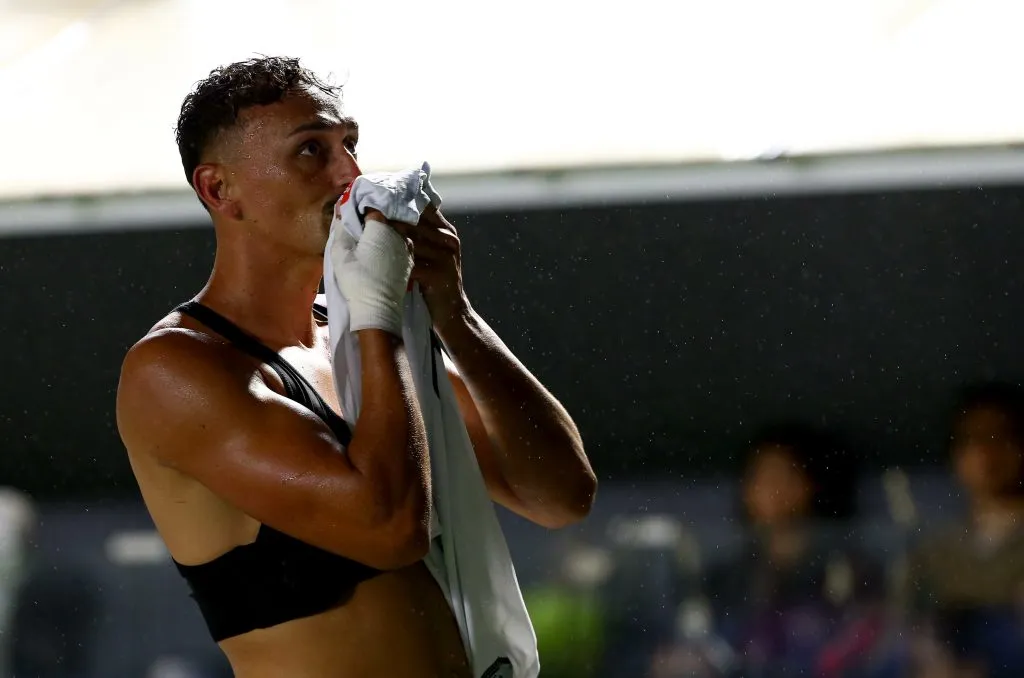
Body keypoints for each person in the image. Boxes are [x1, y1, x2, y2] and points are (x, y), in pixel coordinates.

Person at [115, 56, 597, 678]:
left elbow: (559, 495)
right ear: (219, 189)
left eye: (350, 145)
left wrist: (455, 313)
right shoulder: (176, 369)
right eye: (311, 151)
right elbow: (391, 527)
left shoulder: (352, 337)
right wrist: (377, 317)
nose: (350, 174)